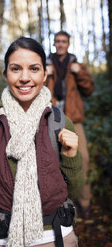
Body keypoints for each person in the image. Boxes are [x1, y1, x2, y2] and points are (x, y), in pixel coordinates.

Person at [0, 36, 84, 247]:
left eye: (34, 69)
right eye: (15, 69)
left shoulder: (59, 122)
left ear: (44, 74)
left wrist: (70, 157)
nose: (25, 77)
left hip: (54, 237)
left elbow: (75, 190)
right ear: (5, 74)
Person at [45, 31, 94, 218]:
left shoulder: (76, 64)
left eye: (63, 41)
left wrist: (79, 72)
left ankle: (85, 203)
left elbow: (89, 89)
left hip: (73, 119)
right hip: (51, 119)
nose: (60, 44)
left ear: (68, 43)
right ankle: (61, 204)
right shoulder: (46, 64)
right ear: (54, 43)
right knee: (54, 161)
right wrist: (44, 75)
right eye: (57, 41)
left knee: (83, 158)